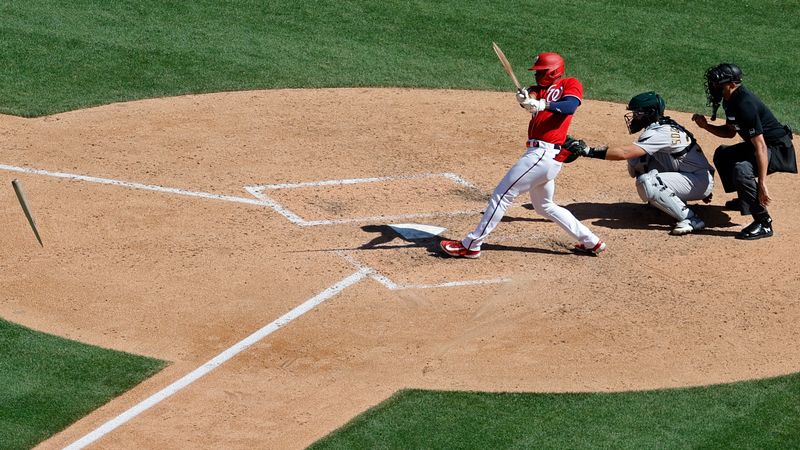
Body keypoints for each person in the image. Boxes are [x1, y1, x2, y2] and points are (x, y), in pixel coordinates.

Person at [439, 52, 605, 258]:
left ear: (553, 71)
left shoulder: (569, 84)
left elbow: (570, 106)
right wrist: (525, 100)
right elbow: (531, 99)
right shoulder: (539, 90)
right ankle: (591, 241)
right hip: (543, 156)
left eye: (541, 72)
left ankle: (471, 244)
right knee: (544, 206)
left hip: (542, 155)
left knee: (502, 194)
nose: (537, 76)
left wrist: (544, 105)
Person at [576, 91, 714, 235]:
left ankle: (691, 219)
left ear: (650, 112)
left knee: (647, 182)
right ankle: (673, 201)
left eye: (638, 113)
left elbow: (624, 153)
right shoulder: (662, 125)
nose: (634, 117)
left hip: (698, 180)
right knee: (639, 160)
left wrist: (588, 151)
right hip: (694, 176)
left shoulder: (660, 132)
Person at [691, 63, 796, 240]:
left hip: (777, 149)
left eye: (718, 84)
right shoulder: (729, 100)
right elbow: (730, 133)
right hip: (762, 146)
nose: (713, 88)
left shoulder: (745, 104)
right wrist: (706, 126)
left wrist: (762, 183)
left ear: (732, 84)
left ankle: (763, 222)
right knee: (724, 155)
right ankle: (746, 199)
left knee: (742, 170)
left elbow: (760, 146)